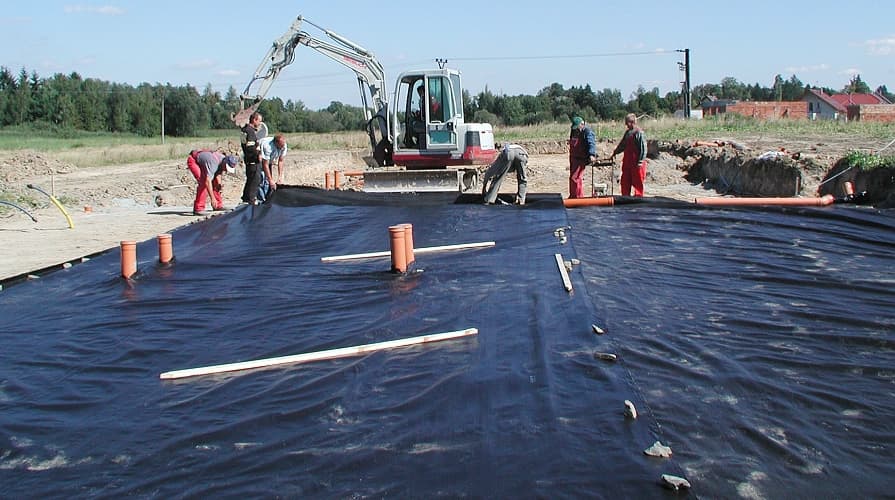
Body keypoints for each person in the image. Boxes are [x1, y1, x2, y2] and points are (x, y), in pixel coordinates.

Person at [610, 113, 648, 197]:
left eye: (627, 122)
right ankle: (625, 198)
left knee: (637, 182)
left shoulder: (639, 133)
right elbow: (622, 145)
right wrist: (615, 152)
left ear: (633, 122)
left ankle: (638, 199)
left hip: (636, 163)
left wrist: (640, 161)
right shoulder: (627, 133)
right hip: (627, 162)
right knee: (625, 181)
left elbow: (643, 148)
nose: (626, 124)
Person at [568, 116, 596, 198]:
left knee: (575, 178)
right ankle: (573, 195)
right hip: (573, 158)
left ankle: (577, 197)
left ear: (582, 124)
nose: (576, 129)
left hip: (581, 158)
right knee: (573, 178)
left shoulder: (587, 132)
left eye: (577, 127)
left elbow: (591, 144)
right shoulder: (573, 131)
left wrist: (591, 155)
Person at [240, 112, 263, 205]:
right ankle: (250, 200)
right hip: (253, 161)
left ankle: (245, 198)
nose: (260, 123)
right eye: (259, 121)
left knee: (250, 180)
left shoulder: (244, 130)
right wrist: (258, 155)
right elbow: (250, 147)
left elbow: (244, 145)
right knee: (254, 181)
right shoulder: (250, 131)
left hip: (248, 161)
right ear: (254, 120)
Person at [258, 133, 288, 202]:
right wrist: (270, 180)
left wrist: (280, 176)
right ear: (276, 143)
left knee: (267, 182)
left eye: (283, 144)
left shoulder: (283, 145)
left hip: (269, 161)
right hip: (257, 161)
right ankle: (261, 201)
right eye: (281, 145)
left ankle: (267, 198)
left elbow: (280, 161)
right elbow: (265, 164)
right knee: (261, 180)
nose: (283, 147)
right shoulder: (267, 146)